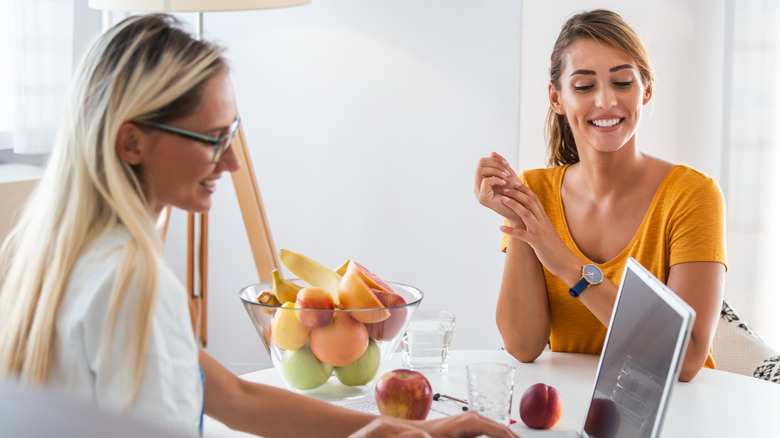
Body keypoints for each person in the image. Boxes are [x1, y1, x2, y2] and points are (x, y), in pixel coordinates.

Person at [0, 14, 518, 438]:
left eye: (233, 134)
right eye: (212, 139)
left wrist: (401, 429)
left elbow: (232, 396)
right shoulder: (130, 284)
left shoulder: (49, 254)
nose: (231, 164)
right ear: (131, 143)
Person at [474, 9, 726, 382]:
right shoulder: (536, 191)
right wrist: (518, 214)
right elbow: (523, 346)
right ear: (556, 98)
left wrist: (565, 264)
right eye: (584, 86)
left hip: (676, 413)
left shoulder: (692, 196)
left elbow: (685, 360)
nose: (606, 101)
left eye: (622, 82)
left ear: (647, 90)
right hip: (571, 409)